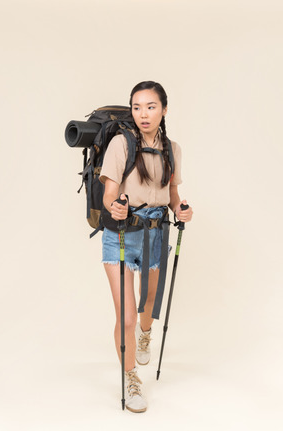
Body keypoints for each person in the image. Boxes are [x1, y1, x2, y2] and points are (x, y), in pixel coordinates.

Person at [99, 81, 193, 413]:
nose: (143, 114)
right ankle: (130, 377)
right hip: (122, 234)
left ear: (164, 110)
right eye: (137, 107)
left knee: (148, 305)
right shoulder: (119, 145)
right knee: (125, 315)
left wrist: (182, 209)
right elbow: (109, 194)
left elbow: (173, 197)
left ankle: (145, 333)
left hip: (157, 234)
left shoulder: (173, 150)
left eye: (151, 106)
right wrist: (116, 207)